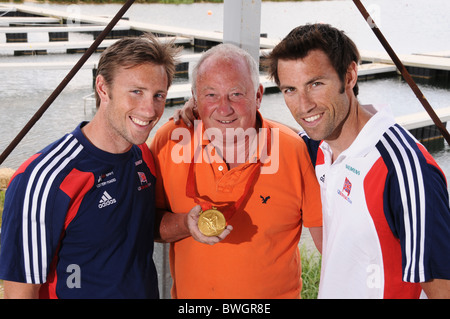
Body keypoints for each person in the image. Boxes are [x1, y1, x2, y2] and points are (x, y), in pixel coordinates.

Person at [262, 23, 450, 298]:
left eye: (315, 84)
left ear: (349, 76)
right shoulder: (317, 147)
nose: (303, 106)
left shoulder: (405, 171)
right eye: (290, 90)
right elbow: (276, 135)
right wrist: (202, 113)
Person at [0, 34, 181, 299]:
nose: (150, 109)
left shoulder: (142, 155)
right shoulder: (43, 178)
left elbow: (137, 227)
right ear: (102, 88)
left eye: (159, 95)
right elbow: (21, 292)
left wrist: (188, 223)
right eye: (136, 92)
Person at [149, 43, 323, 299]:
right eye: (211, 95)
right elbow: (145, 224)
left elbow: (332, 246)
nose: (224, 108)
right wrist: (185, 224)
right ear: (195, 99)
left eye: (236, 94)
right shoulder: (170, 140)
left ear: (258, 95)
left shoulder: (293, 149)